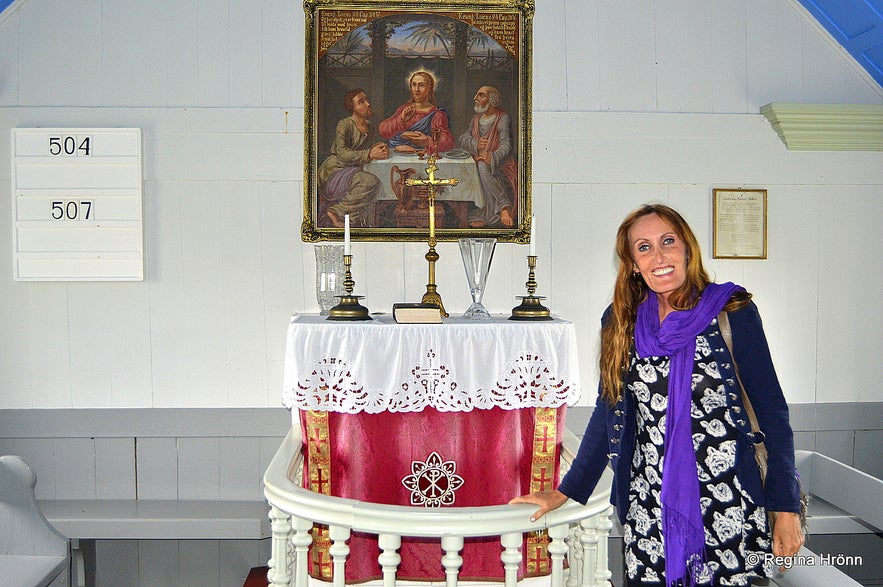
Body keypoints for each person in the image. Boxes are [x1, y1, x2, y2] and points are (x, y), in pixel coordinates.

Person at [510, 204, 804, 586]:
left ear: (687, 249)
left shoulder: (733, 312)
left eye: (668, 241)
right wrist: (566, 492)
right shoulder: (620, 321)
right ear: (632, 263)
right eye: (644, 248)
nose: (659, 256)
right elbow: (608, 410)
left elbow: (772, 413)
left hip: (731, 504)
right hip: (649, 507)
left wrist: (785, 507)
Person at [317, 88, 389, 228]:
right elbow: (343, 154)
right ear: (353, 108)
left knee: (375, 180)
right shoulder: (345, 124)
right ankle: (335, 212)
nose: (368, 104)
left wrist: (377, 147)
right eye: (361, 102)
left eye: (366, 100)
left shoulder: (370, 127)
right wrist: (369, 154)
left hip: (352, 169)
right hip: (335, 170)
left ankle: (351, 218)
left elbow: (360, 148)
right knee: (370, 181)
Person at [457, 85, 518, 227]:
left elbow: (506, 145)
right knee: (476, 165)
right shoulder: (476, 119)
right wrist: (476, 143)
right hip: (479, 157)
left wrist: (492, 157)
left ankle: (504, 207)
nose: (475, 98)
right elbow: (463, 138)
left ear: (492, 100)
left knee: (482, 165)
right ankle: (482, 210)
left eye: (481, 95)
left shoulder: (503, 118)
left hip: (501, 163)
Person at [379, 71, 454, 154]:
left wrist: (427, 141)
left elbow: (448, 141)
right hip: (397, 154)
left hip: (423, 156)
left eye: (421, 85)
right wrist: (401, 119)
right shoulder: (405, 109)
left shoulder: (437, 114)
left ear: (429, 88)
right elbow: (383, 130)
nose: (416, 89)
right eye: (414, 85)